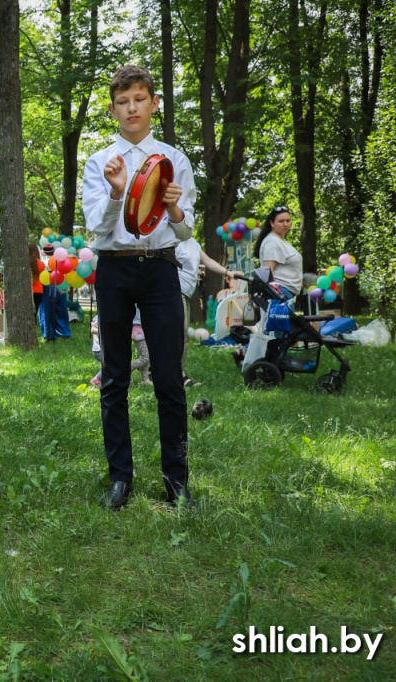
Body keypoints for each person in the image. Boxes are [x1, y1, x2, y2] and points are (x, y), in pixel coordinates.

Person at [82, 64, 195, 511]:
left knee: (169, 377)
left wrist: (174, 211)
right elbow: (95, 228)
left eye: (140, 100)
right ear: (113, 110)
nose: (132, 109)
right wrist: (115, 193)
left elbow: (185, 235)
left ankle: (177, 481)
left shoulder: (174, 160)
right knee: (114, 377)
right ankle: (119, 479)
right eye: (123, 102)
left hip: (161, 270)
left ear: (154, 104)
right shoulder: (100, 162)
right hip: (114, 270)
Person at [176, 238, 240, 385]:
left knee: (183, 334)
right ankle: (174, 374)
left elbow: (208, 261)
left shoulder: (193, 243)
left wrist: (228, 273)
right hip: (172, 291)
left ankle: (176, 372)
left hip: (185, 292)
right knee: (179, 334)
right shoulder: (171, 240)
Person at [253, 205, 302, 298]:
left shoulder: (281, 241)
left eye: (288, 220)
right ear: (272, 223)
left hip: (286, 293)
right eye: (281, 221)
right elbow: (267, 273)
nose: (285, 224)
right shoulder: (272, 241)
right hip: (279, 293)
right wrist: (276, 296)